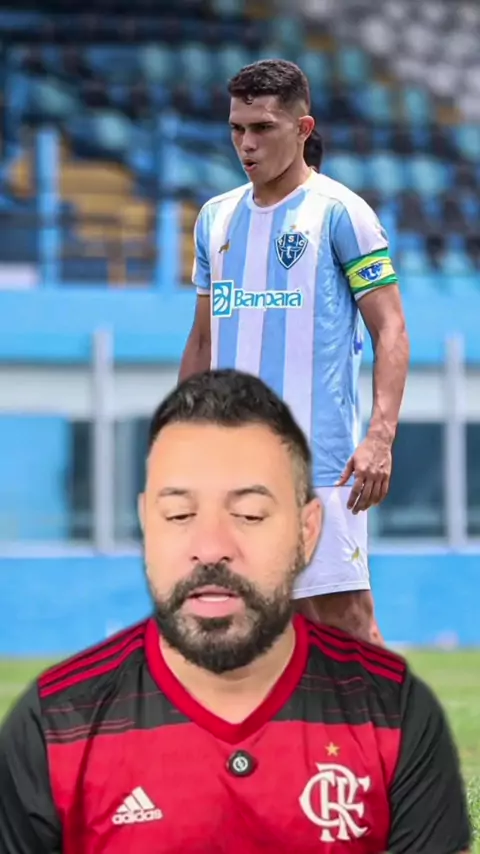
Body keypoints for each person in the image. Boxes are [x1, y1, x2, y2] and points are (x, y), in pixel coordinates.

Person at [0, 370, 470, 854]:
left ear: (307, 530)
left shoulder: (401, 722)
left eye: (249, 515)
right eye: (181, 514)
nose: (212, 548)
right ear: (148, 523)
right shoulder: (52, 727)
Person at [179, 59, 410, 644]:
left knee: (342, 619)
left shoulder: (340, 213)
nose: (246, 144)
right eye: (237, 129)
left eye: (262, 128)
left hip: (320, 459)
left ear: (303, 129)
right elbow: (204, 339)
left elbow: (390, 329)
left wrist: (380, 437)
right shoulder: (215, 219)